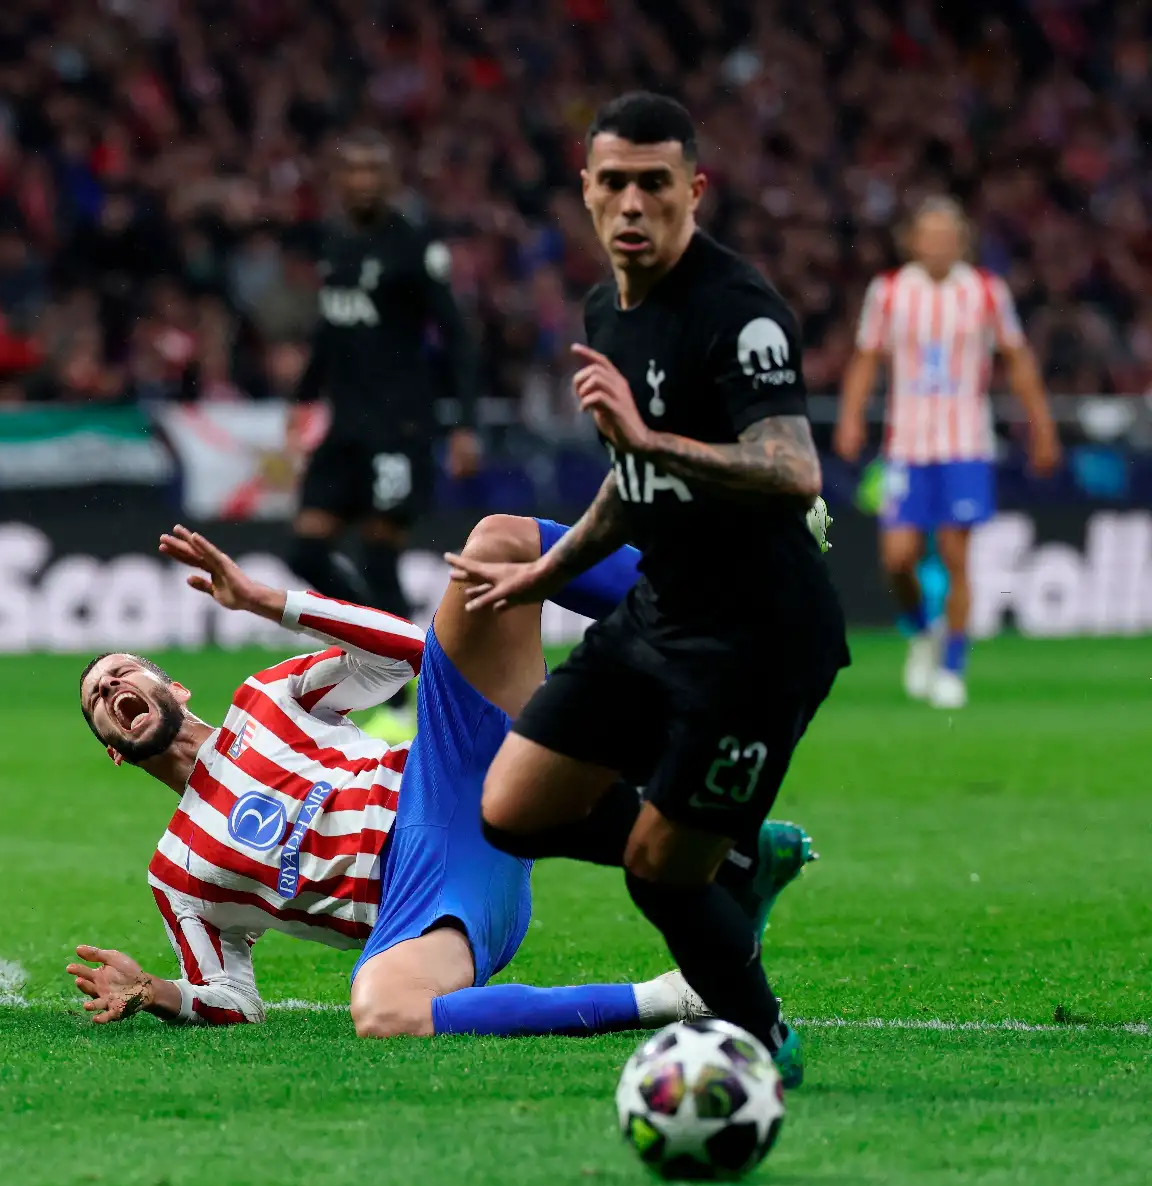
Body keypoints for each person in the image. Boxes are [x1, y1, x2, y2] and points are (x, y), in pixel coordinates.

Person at [446, 93, 848, 1085]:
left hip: (758, 639)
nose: (632, 202)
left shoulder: (738, 311)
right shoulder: (605, 313)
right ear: (585, 191)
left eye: (654, 184)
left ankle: (761, 1036)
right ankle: (742, 862)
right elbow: (634, 484)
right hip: (659, 612)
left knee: (658, 871)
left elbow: (792, 468)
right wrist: (547, 571)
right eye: (613, 182)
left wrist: (650, 436)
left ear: (693, 191)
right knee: (511, 806)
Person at [66, 518, 815, 1037]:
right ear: (110, 749)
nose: (112, 690)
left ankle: (713, 609)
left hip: (443, 773)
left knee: (497, 543)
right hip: (425, 899)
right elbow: (233, 1001)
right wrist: (155, 993)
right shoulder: (176, 876)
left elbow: (406, 653)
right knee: (383, 1012)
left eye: (122, 671)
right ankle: (675, 996)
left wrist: (269, 602)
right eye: (98, 697)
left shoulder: (267, 699)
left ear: (176, 688)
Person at [283, 129, 481, 743]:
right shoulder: (336, 246)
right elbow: (329, 332)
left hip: (400, 425)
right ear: (340, 180)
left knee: (378, 551)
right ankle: (399, 659)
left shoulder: (413, 246)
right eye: (353, 171)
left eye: (374, 171)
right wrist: (305, 397)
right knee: (305, 549)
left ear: (388, 179)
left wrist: (464, 421)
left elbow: (458, 335)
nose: (363, 182)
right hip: (345, 427)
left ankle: (400, 689)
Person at [834, 196, 1061, 709]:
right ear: (911, 241)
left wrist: (1041, 427)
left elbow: (1018, 359)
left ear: (962, 242)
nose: (938, 245)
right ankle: (921, 633)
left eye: (948, 236)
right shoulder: (889, 292)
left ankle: (954, 666)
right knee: (897, 558)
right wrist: (851, 416)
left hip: (966, 443)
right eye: (929, 235)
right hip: (905, 447)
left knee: (958, 556)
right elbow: (866, 358)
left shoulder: (984, 291)